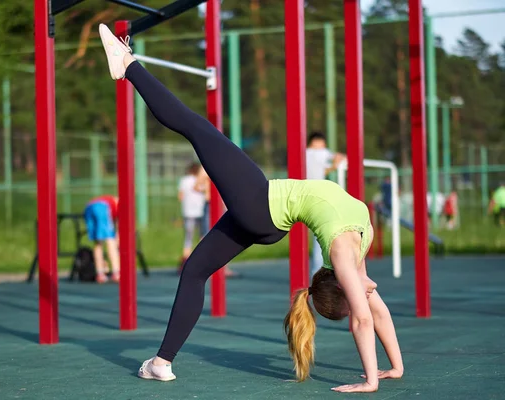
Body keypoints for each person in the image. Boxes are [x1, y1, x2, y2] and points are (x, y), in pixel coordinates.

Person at [99, 24, 403, 393]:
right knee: (195, 271)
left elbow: (362, 320)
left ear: (341, 284)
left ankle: (127, 66)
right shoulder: (358, 249)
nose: (367, 295)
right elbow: (376, 312)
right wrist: (396, 369)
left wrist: (371, 381)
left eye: (356, 294)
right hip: (267, 221)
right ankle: (161, 362)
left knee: (197, 128)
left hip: (261, 204)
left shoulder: (343, 252)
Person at [306, 132, 346, 277]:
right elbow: (340, 158)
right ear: (318, 141)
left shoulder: (304, 153)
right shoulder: (321, 153)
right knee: (320, 232)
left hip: (301, 193)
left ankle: (317, 269)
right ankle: (318, 270)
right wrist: (335, 165)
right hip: (316, 196)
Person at [83, 194, 121, 283]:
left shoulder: (112, 201)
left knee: (97, 242)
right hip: (102, 207)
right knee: (110, 240)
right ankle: (116, 272)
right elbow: (119, 232)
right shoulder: (122, 206)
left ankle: (100, 273)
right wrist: (116, 246)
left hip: (89, 207)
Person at [177, 162, 207, 272]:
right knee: (202, 236)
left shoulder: (184, 180)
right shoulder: (201, 179)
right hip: (200, 212)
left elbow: (180, 196)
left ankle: (185, 261)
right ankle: (201, 261)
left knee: (188, 238)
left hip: (188, 212)